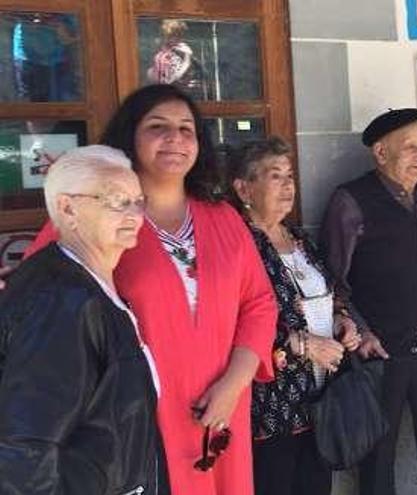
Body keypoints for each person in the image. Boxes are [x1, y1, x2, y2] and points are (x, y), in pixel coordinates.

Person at [25, 84, 277, 495]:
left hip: (221, 411)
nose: (175, 138)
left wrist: (233, 385)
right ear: (130, 136)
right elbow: (43, 295)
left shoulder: (223, 218)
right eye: (157, 126)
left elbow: (260, 303)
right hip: (134, 417)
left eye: (187, 128)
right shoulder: (93, 214)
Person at [320, 108, 417, 495]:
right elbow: (333, 282)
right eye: (410, 148)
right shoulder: (351, 202)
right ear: (380, 152)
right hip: (379, 355)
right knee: (377, 467)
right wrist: (363, 330)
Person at [0, 145, 164, 494]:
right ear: (68, 207)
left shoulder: (89, 285)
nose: (134, 213)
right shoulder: (63, 301)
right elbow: (28, 447)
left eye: (138, 200)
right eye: (117, 200)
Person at [226, 136, 360, 495]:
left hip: (318, 402)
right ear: (243, 188)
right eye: (275, 176)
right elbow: (229, 321)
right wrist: (302, 344)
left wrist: (341, 322)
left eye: (290, 176)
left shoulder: (298, 237)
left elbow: (326, 298)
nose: (288, 186)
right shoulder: (236, 242)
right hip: (270, 406)